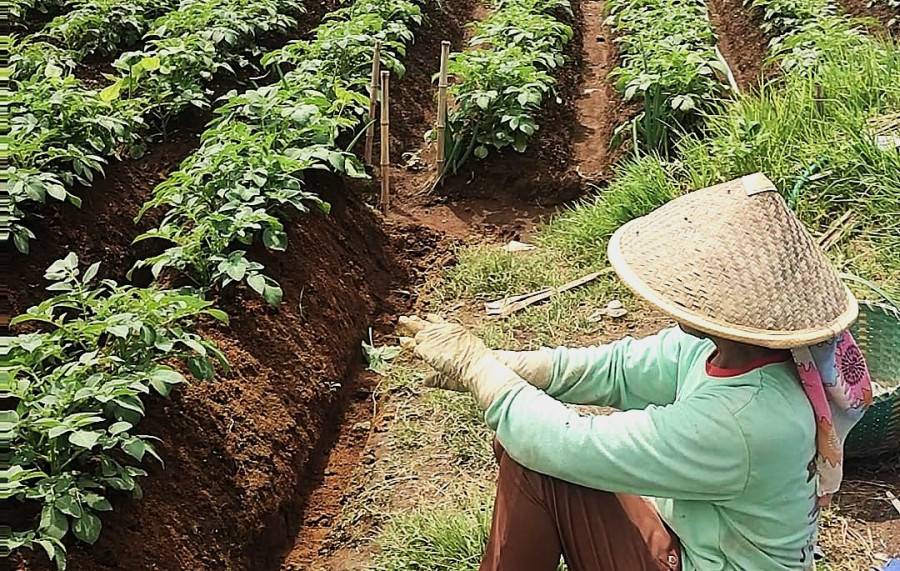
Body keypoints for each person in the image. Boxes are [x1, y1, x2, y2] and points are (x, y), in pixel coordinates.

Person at [400, 173, 872, 571]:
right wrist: (511, 366)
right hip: (693, 540)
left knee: (537, 457)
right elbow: (622, 369)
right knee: (527, 441)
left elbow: (569, 443)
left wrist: (476, 367)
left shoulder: (745, 420)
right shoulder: (744, 351)